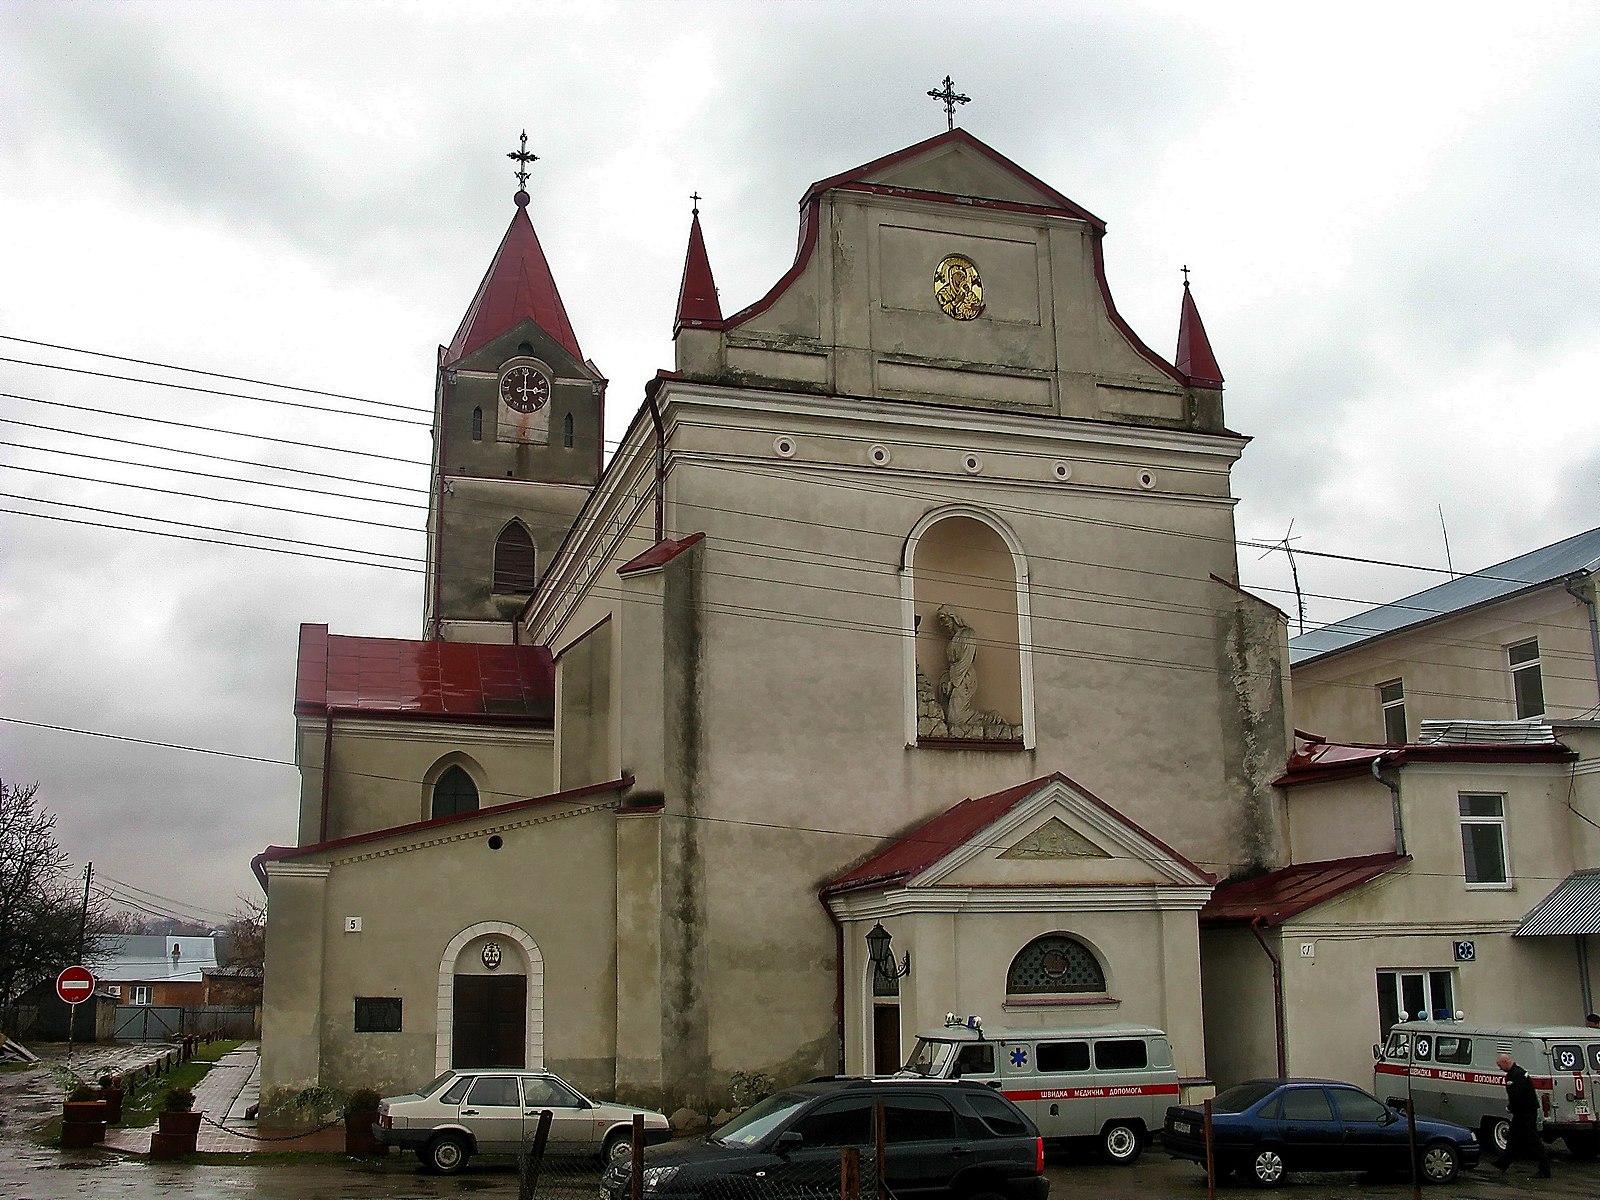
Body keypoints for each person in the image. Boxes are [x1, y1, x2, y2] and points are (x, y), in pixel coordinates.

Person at [1493, 1052, 1551, 1177]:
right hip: (1521, 1112)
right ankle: (1503, 1162)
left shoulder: (1517, 1075)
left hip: (1526, 1112)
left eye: (1499, 1065)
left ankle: (1544, 1168)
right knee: (1513, 1138)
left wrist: (1510, 1107)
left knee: (1533, 1140)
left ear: (1506, 1062)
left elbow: (1517, 1095)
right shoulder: (1515, 1073)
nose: (1499, 1068)